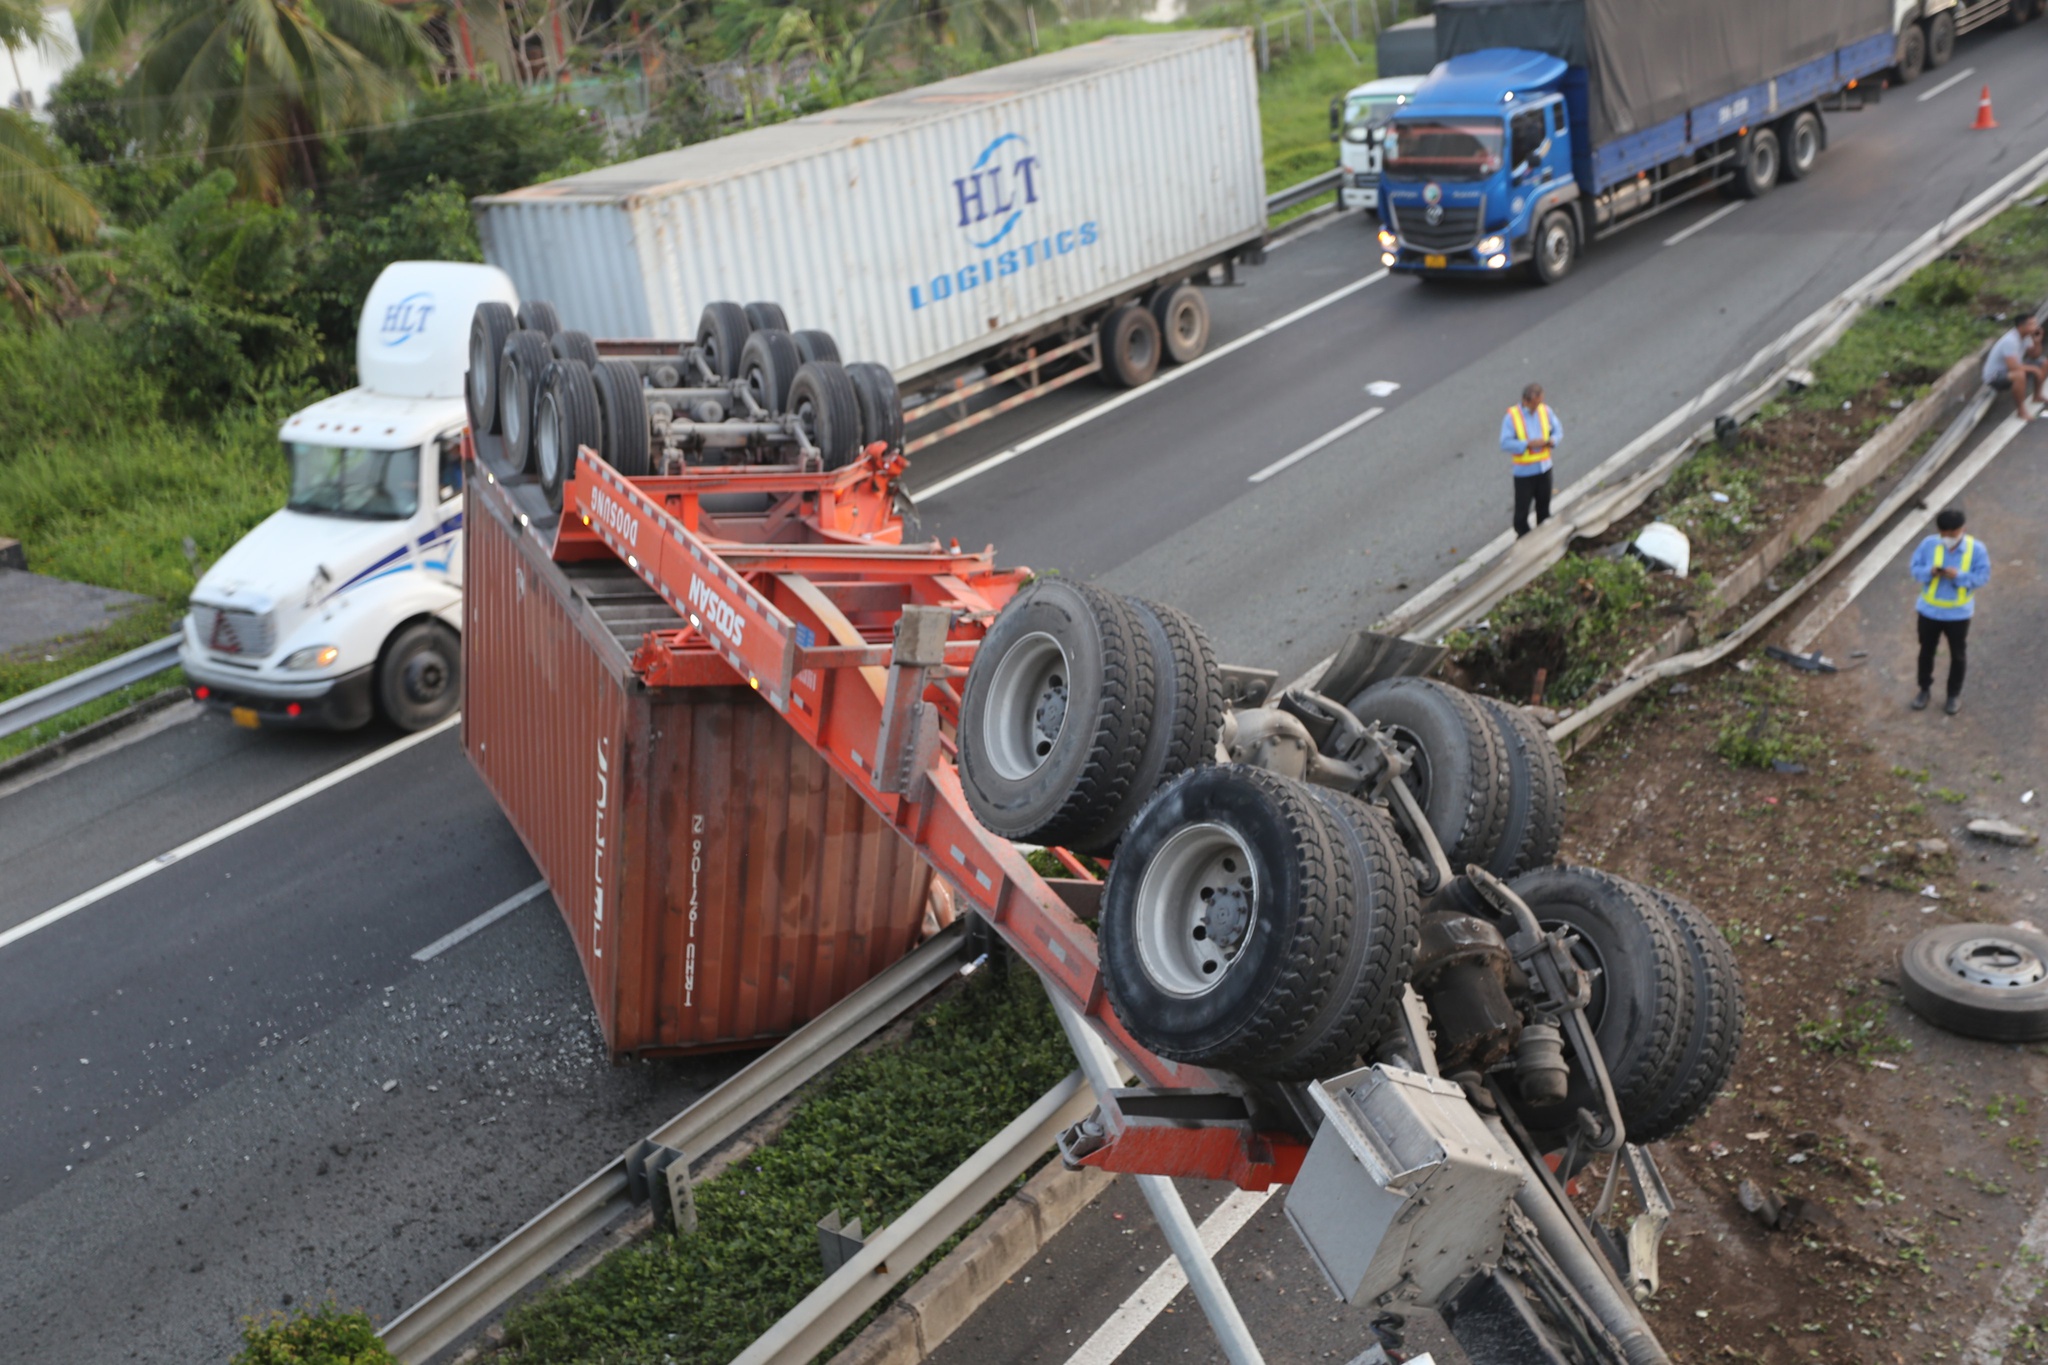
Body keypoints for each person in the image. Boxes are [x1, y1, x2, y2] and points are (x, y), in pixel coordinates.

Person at [1909, 506, 1989, 715]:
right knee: (1926, 652)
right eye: (1944, 534)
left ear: (1962, 528)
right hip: (1929, 612)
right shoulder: (1929, 545)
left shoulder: (1977, 549)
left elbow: (1982, 577)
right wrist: (1930, 572)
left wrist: (1960, 576)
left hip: (1958, 614)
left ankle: (1953, 695)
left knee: (1958, 655)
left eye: (1953, 534)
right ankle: (1924, 689)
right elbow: (1915, 569)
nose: (1948, 538)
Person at [1500, 383, 1560, 536]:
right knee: (1521, 516)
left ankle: (1544, 540)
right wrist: (1527, 444)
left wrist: (1552, 440)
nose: (1537, 407)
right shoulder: (1512, 417)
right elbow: (1505, 443)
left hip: (1544, 469)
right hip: (1524, 474)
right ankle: (1525, 542)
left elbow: (1558, 430)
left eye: (1539, 402)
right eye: (1534, 404)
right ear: (1525, 401)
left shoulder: (1545, 411)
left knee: (1544, 510)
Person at [1982, 315, 2045, 420]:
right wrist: (2034, 369)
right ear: (2021, 326)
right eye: (2032, 324)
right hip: (1995, 376)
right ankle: (2021, 411)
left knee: (2043, 362)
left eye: (2035, 323)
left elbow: (2035, 356)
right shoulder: (2010, 341)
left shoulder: (2026, 336)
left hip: (2010, 371)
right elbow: (2013, 367)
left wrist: (2037, 341)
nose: (2036, 327)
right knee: (2019, 375)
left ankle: (2037, 396)